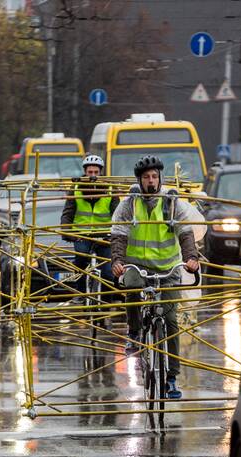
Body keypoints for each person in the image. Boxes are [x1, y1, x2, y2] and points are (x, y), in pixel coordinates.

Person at [109, 155, 201, 400]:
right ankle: (135, 332)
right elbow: (118, 234)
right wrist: (117, 262)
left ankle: (171, 378)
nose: (151, 181)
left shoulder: (171, 202)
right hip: (136, 266)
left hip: (167, 269)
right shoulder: (129, 203)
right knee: (131, 286)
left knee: (170, 320)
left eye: (155, 177)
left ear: (160, 178)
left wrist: (191, 258)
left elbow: (185, 232)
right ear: (139, 180)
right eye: (147, 177)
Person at [60, 154, 114, 295]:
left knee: (108, 272)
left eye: (96, 172)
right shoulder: (76, 188)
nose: (93, 176)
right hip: (82, 236)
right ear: (85, 172)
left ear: (101, 172)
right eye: (90, 172)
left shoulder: (110, 188)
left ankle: (109, 298)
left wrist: (115, 235)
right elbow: (68, 214)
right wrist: (68, 234)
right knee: (81, 259)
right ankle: (80, 293)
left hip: (104, 237)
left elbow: (117, 214)